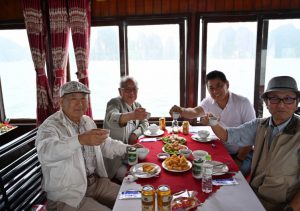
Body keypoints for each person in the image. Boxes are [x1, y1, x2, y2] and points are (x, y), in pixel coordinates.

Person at [36, 81, 142, 211]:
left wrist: (128, 148)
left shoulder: (87, 121)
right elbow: (46, 152)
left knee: (136, 200)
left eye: (83, 98)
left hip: (95, 183)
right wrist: (80, 140)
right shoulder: (50, 126)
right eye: (73, 99)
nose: (79, 103)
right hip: (67, 195)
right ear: (61, 102)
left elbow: (106, 144)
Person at [204, 76, 300, 211]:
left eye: (289, 99)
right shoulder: (259, 125)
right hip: (253, 195)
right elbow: (229, 135)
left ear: (297, 103)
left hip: (282, 205)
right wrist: (213, 122)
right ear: (266, 103)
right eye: (274, 98)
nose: (281, 104)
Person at [169, 70, 256, 174]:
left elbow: (252, 135)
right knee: (198, 168)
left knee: (235, 174)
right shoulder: (209, 101)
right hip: (221, 149)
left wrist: (239, 159)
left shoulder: (243, 103)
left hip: (242, 153)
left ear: (227, 84)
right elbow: (195, 111)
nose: (215, 91)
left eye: (219, 86)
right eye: (211, 88)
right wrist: (181, 110)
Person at [103, 76, 149, 181]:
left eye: (134, 89)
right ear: (120, 91)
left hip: (131, 154)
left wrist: (135, 134)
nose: (131, 92)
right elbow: (112, 117)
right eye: (127, 89)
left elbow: (145, 122)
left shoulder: (137, 105)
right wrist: (132, 115)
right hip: (116, 160)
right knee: (138, 177)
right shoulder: (114, 103)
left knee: (150, 166)